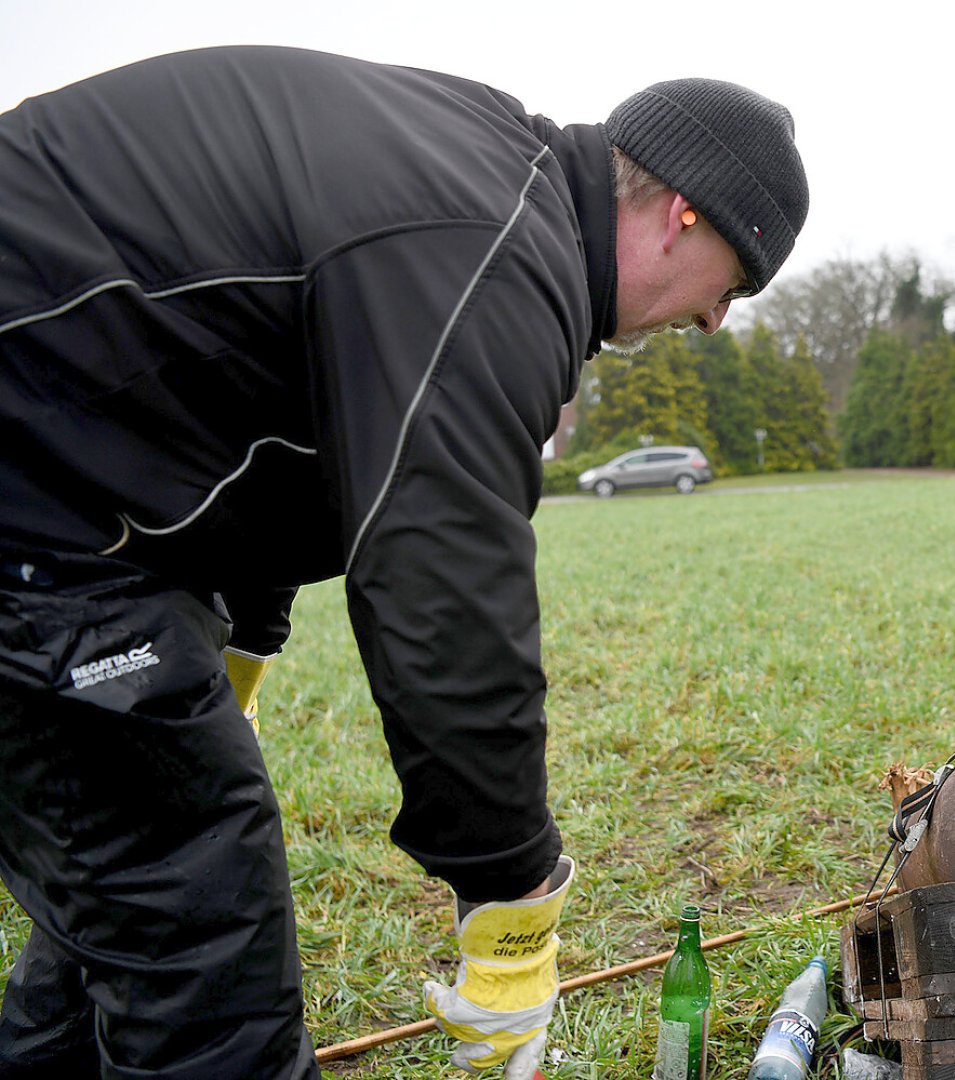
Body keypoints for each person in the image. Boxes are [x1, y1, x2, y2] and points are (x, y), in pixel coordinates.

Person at [0, 46, 808, 1080]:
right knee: (198, 925)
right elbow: (444, 585)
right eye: (732, 283)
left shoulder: (481, 190)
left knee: (120, 891)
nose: (710, 320)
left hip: (67, 476)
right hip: (34, 504)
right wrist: (511, 904)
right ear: (682, 213)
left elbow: (267, 434)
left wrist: (238, 658)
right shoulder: (492, 254)